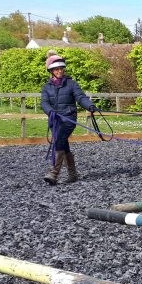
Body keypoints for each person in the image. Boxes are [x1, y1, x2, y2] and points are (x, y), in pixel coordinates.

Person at [40, 51, 98, 185]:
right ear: (51, 71)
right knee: (64, 145)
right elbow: (44, 103)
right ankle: (73, 174)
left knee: (59, 141)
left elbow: (80, 97)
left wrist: (89, 106)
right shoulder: (46, 88)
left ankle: (53, 173)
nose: (60, 71)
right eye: (56, 69)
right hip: (55, 120)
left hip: (68, 119)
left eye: (61, 68)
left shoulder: (71, 84)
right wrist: (50, 112)